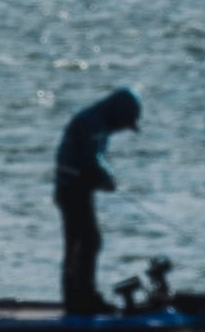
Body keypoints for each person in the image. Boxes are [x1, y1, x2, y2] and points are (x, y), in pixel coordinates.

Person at [53, 85, 142, 312]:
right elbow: (91, 159)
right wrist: (106, 178)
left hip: (79, 190)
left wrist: (102, 178)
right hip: (71, 191)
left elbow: (94, 160)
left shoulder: (98, 122)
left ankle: (81, 295)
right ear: (119, 113)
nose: (123, 128)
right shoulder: (91, 123)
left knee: (85, 242)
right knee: (85, 241)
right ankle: (80, 298)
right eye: (125, 123)